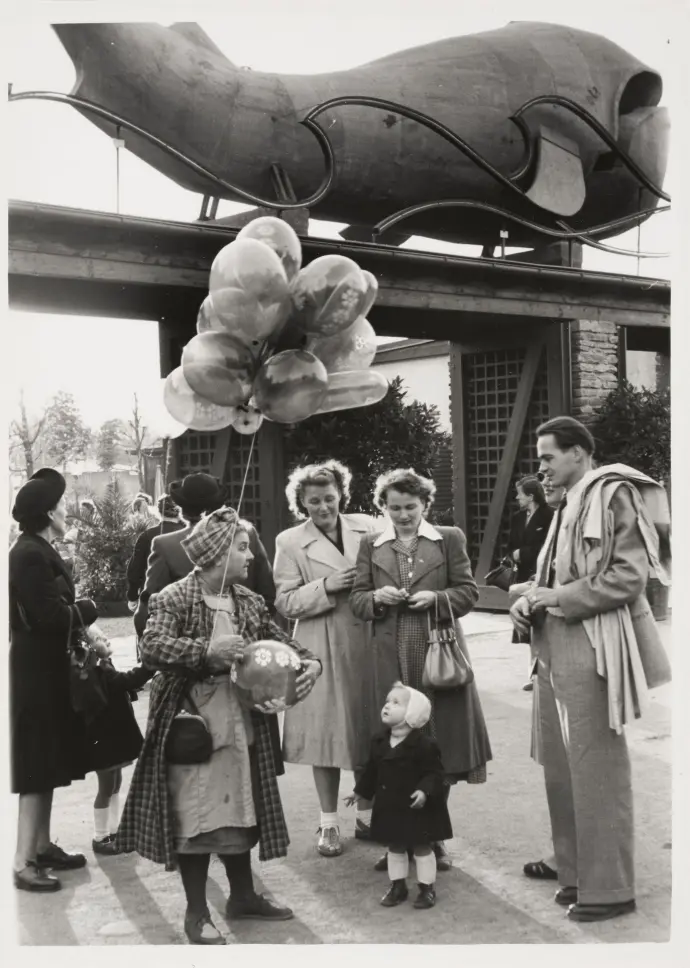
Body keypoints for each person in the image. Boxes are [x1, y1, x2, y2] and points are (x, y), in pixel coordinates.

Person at [115, 507, 323, 944]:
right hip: (194, 726)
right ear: (214, 554)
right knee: (197, 818)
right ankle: (196, 913)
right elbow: (151, 647)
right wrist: (206, 652)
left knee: (239, 808)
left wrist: (312, 663)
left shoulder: (247, 600)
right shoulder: (174, 596)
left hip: (242, 723)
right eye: (243, 549)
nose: (252, 558)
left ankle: (243, 896)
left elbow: (285, 641)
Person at [510, 416, 670, 922]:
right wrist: (530, 599)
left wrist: (559, 597)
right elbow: (554, 573)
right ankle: (576, 871)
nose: (541, 468)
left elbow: (629, 576)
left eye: (548, 457)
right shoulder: (569, 500)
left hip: (593, 645)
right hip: (553, 645)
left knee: (596, 768)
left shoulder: (611, 491)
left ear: (579, 452)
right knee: (562, 768)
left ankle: (611, 890)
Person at [350, 467, 492, 873]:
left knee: (435, 751)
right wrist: (377, 596)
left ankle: (432, 838)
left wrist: (438, 597)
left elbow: (469, 592)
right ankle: (397, 839)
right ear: (383, 507)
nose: (403, 515)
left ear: (425, 505)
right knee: (393, 751)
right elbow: (358, 601)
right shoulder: (370, 544)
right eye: (394, 507)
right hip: (389, 658)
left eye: (410, 507)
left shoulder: (448, 539)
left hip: (436, 657)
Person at [273, 460, 380, 857]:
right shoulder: (289, 541)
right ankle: (328, 823)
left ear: (341, 496)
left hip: (369, 637)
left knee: (372, 726)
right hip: (320, 644)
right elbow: (284, 602)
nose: (323, 507)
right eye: (313, 500)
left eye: (329, 498)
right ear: (301, 502)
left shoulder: (368, 527)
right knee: (326, 735)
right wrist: (327, 585)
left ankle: (368, 817)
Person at [9, 468, 100, 892]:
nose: (67, 510)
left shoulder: (35, 547)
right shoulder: (28, 553)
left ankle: (42, 846)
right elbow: (49, 616)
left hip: (46, 668)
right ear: (49, 511)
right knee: (35, 764)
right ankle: (23, 860)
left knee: (45, 761)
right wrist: (87, 610)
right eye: (62, 504)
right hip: (36, 670)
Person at [345, 683, 452, 910]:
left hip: (417, 808)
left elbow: (435, 773)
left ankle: (426, 888)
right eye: (388, 701)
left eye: (396, 703)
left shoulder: (425, 745)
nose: (387, 706)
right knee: (395, 847)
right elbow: (372, 770)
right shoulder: (379, 741)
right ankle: (398, 886)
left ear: (412, 714)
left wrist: (424, 790)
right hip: (390, 806)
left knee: (423, 847)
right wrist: (359, 792)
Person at [133, 473, 274, 638]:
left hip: (186, 652)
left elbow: (146, 611)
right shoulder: (248, 535)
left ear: (181, 509)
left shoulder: (165, 545)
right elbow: (268, 594)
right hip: (245, 645)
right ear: (220, 506)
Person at [85, 652, 155, 856]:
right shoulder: (98, 672)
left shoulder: (100, 669)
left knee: (114, 785)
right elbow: (128, 680)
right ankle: (101, 836)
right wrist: (149, 665)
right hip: (105, 741)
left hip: (110, 739)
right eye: (103, 642)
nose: (108, 646)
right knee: (106, 787)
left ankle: (115, 830)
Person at [508, 476, 554, 689]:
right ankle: (535, 676)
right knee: (529, 628)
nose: (517, 497)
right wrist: (514, 555)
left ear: (531, 495)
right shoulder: (517, 517)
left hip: (543, 577)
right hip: (523, 575)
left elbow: (549, 546)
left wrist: (524, 553)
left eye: (519, 493)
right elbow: (510, 543)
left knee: (544, 625)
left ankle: (546, 674)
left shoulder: (549, 515)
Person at [126, 494, 182, 612]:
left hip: (154, 597)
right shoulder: (189, 534)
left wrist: (132, 596)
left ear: (158, 511)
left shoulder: (146, 536)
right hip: (183, 595)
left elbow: (135, 568)